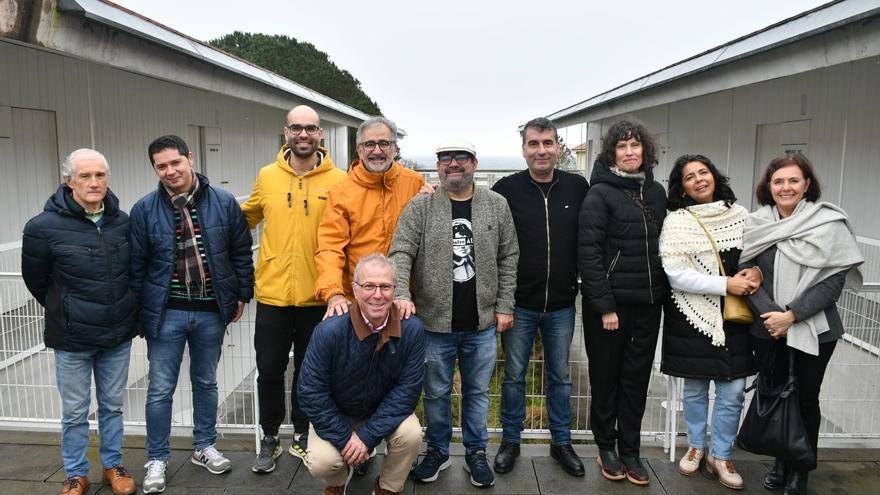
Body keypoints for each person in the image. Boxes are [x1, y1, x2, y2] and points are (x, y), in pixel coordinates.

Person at [389, 138, 519, 488]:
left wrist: (505, 305)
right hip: (433, 323)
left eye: (461, 157)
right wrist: (401, 294)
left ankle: (476, 453)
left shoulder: (496, 205)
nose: (453, 164)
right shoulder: (422, 206)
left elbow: (509, 257)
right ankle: (438, 451)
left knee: (477, 392)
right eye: (445, 158)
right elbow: (400, 252)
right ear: (438, 165)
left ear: (474, 163)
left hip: (482, 323)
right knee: (435, 392)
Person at [130, 135, 254, 493]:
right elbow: (136, 266)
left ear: (190, 158)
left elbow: (240, 252)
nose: (170, 171)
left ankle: (204, 446)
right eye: (161, 166)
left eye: (175, 163)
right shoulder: (144, 209)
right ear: (155, 169)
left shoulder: (224, 202)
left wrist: (242, 293)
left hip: (210, 311)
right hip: (165, 312)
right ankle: (157, 458)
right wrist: (141, 313)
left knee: (205, 382)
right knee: (160, 389)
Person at [740, 153, 862, 495]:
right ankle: (781, 461)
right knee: (776, 394)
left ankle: (801, 469)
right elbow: (747, 275)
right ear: (768, 186)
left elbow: (832, 282)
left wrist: (791, 315)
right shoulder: (757, 223)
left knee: (806, 400)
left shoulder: (828, 223)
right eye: (778, 181)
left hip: (816, 329)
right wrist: (772, 317)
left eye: (794, 180)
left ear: (807, 184)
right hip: (766, 328)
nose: (786, 187)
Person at [22, 149, 138, 495]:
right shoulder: (42, 227)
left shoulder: (122, 221)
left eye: (100, 175)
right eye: (85, 176)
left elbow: (132, 271)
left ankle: (113, 466)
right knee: (74, 411)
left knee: (113, 405)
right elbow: (37, 280)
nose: (94, 182)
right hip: (72, 337)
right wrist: (67, 308)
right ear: (68, 181)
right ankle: (75, 473)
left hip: (117, 333)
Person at [241, 105, 346, 472]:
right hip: (272, 296)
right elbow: (247, 216)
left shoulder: (339, 179)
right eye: (297, 128)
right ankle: (269, 438)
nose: (304, 135)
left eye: (311, 129)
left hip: (318, 297)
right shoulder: (267, 176)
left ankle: (303, 435)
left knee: (309, 372)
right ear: (286, 132)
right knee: (269, 370)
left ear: (321, 135)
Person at [491, 117, 588, 477]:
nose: (541, 150)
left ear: (558, 147)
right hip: (519, 304)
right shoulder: (506, 189)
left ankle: (562, 443)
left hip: (562, 304)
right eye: (534, 144)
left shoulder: (578, 187)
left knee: (560, 377)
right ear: (524, 150)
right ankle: (510, 442)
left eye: (547, 143)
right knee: (514, 376)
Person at [658, 154, 758, 489]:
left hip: (735, 316)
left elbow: (759, 257)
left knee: (733, 392)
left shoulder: (741, 216)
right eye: (690, 176)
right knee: (696, 389)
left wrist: (753, 272)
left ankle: (721, 454)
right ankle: (696, 447)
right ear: (681, 186)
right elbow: (675, 274)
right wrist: (725, 284)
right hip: (691, 315)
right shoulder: (677, 221)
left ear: (715, 177)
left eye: (704, 172)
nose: (699, 179)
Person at [577, 119, 667, 486]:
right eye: (622, 147)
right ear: (612, 153)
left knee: (636, 380)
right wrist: (605, 306)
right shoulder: (599, 194)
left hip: (649, 305)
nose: (630, 153)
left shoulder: (657, 193)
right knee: (606, 378)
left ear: (645, 151)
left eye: (635, 146)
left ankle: (631, 449)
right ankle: (606, 446)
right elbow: (589, 254)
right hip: (610, 309)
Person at [297, 254, 425, 495]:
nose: (377, 294)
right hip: (338, 413)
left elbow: (407, 392)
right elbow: (311, 393)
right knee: (322, 461)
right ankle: (336, 483)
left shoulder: (412, 330)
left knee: (411, 434)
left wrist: (366, 437)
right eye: (368, 286)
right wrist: (347, 440)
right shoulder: (329, 330)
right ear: (355, 290)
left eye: (385, 286)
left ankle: (387, 487)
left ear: (395, 290)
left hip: (381, 412)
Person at [314, 117, 424, 319]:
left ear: (395, 148)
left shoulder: (415, 183)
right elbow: (330, 247)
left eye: (384, 143)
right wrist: (334, 293)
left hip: (405, 303)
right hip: (359, 303)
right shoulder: (341, 192)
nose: (377, 150)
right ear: (359, 149)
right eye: (369, 144)